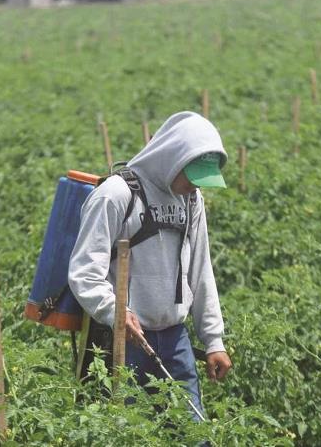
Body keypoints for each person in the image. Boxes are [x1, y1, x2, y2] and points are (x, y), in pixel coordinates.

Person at [68, 111, 233, 420]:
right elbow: (84, 271)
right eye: (191, 176)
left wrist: (213, 341)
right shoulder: (116, 195)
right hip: (123, 339)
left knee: (192, 433)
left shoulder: (192, 201)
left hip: (175, 339)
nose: (194, 186)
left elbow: (200, 269)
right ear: (173, 159)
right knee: (128, 431)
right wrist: (114, 311)